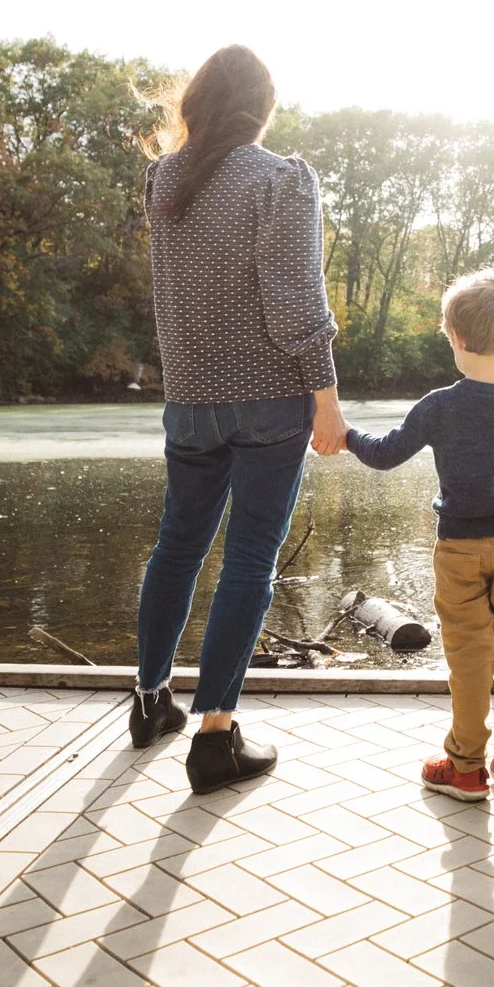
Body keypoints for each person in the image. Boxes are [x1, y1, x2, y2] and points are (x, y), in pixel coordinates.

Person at [133, 45, 350, 794]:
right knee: (250, 559)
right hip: (268, 400)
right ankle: (215, 736)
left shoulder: (165, 179)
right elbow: (295, 303)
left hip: (189, 399)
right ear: (261, 107)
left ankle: (150, 701)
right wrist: (325, 398)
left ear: (198, 103)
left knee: (176, 548)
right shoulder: (280, 178)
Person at [330, 270, 494, 801]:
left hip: (459, 547)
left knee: (468, 653)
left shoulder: (439, 405)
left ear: (454, 337)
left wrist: (347, 436)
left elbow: (386, 454)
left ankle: (465, 766)